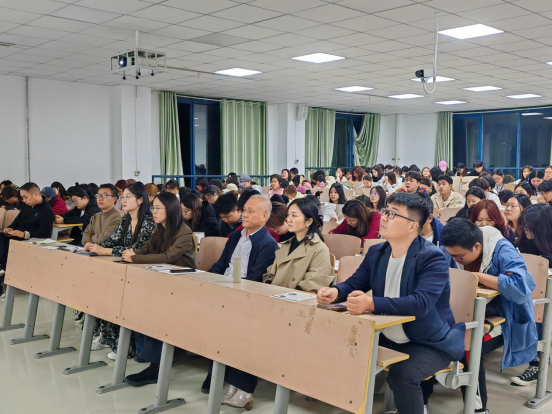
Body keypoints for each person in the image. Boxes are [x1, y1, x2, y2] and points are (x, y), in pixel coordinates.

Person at [318, 192, 464, 414]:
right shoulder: (377, 252)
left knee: (402, 375)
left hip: (428, 342)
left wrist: (371, 304)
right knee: (341, 352)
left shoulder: (432, 257)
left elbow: (421, 303)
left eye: (393, 214)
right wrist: (335, 292)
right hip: (387, 335)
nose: (384, 217)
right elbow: (356, 282)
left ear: (412, 226)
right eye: (385, 211)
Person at [439, 219, 537, 413]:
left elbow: (521, 287)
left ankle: (478, 408)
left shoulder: (502, 250)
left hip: (503, 317)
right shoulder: (456, 249)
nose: (455, 260)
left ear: (476, 246)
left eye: (459, 257)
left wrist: (478, 277)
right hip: (467, 312)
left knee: (467, 348)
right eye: (451, 255)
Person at [202, 196, 278, 408]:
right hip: (225, 290)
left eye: (250, 211)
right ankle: (221, 375)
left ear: (264, 216)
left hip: (246, 296)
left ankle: (240, 385)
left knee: (238, 332)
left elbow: (255, 279)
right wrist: (205, 281)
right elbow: (221, 265)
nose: (244, 214)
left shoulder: (268, 244)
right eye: (243, 210)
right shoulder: (235, 236)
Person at [123, 192, 196, 385]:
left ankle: (155, 366)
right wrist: (132, 252)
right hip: (163, 281)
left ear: (170, 210)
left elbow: (167, 257)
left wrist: (135, 258)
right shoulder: (160, 229)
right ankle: (146, 352)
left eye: (157, 208)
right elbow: (148, 248)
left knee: (155, 310)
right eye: (152, 208)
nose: (153, 212)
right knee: (136, 303)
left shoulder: (184, 232)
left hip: (184, 284)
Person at [88, 182, 155, 360]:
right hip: (125, 268)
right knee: (102, 293)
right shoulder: (126, 220)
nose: (123, 200)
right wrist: (96, 247)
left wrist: (107, 251)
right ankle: (109, 338)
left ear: (140, 200)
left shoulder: (149, 222)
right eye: (123, 197)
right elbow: (114, 240)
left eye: (128, 197)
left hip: (142, 271)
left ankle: (127, 346)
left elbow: (137, 249)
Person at [510, 204, 552, 386]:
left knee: (537, 314)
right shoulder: (525, 243)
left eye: (528, 225)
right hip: (532, 294)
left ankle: (537, 364)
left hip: (544, 297)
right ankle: (538, 358)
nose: (524, 229)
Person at [264, 197, 334, 292]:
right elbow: (270, 274)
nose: (288, 220)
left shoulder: (320, 249)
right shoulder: (286, 245)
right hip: (273, 295)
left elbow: (313, 284)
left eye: (294, 216)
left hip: (294, 298)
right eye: (288, 215)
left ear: (309, 221)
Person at [0, 182, 55, 276]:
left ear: (35, 194)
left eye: (26, 197)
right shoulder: (26, 205)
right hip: (17, 235)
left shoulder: (47, 211)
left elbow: (45, 234)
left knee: (5, 242)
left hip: (30, 239)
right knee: (2, 236)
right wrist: (10, 228)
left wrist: (25, 234)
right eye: (22, 197)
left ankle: (4, 270)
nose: (24, 200)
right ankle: (3, 268)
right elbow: (17, 220)